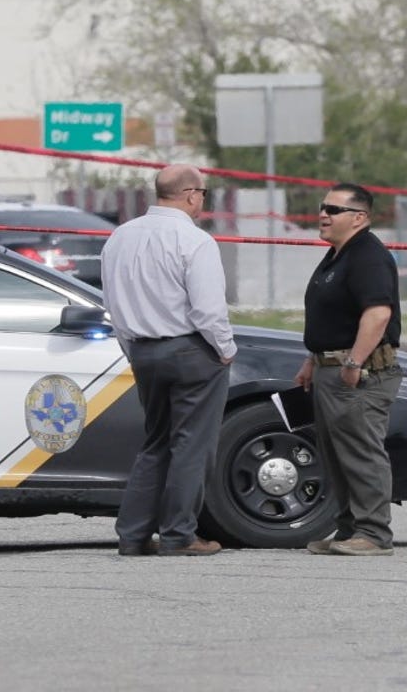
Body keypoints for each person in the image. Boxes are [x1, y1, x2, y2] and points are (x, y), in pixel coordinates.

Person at [101, 164, 235, 557]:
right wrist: (226, 350)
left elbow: (113, 303)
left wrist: (133, 348)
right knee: (192, 445)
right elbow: (209, 311)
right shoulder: (194, 240)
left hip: (143, 350)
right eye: (204, 194)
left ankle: (133, 534)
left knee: (155, 442)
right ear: (191, 194)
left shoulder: (119, 238)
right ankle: (180, 535)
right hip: (191, 350)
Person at [294, 183, 404, 557]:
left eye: (333, 210)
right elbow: (332, 316)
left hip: (361, 373)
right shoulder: (337, 255)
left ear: (359, 218)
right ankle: (348, 531)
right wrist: (313, 359)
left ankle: (374, 534)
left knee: (361, 453)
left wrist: (354, 362)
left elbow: (377, 313)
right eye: (322, 207)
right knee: (337, 455)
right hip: (331, 369)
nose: (323, 214)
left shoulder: (367, 256)